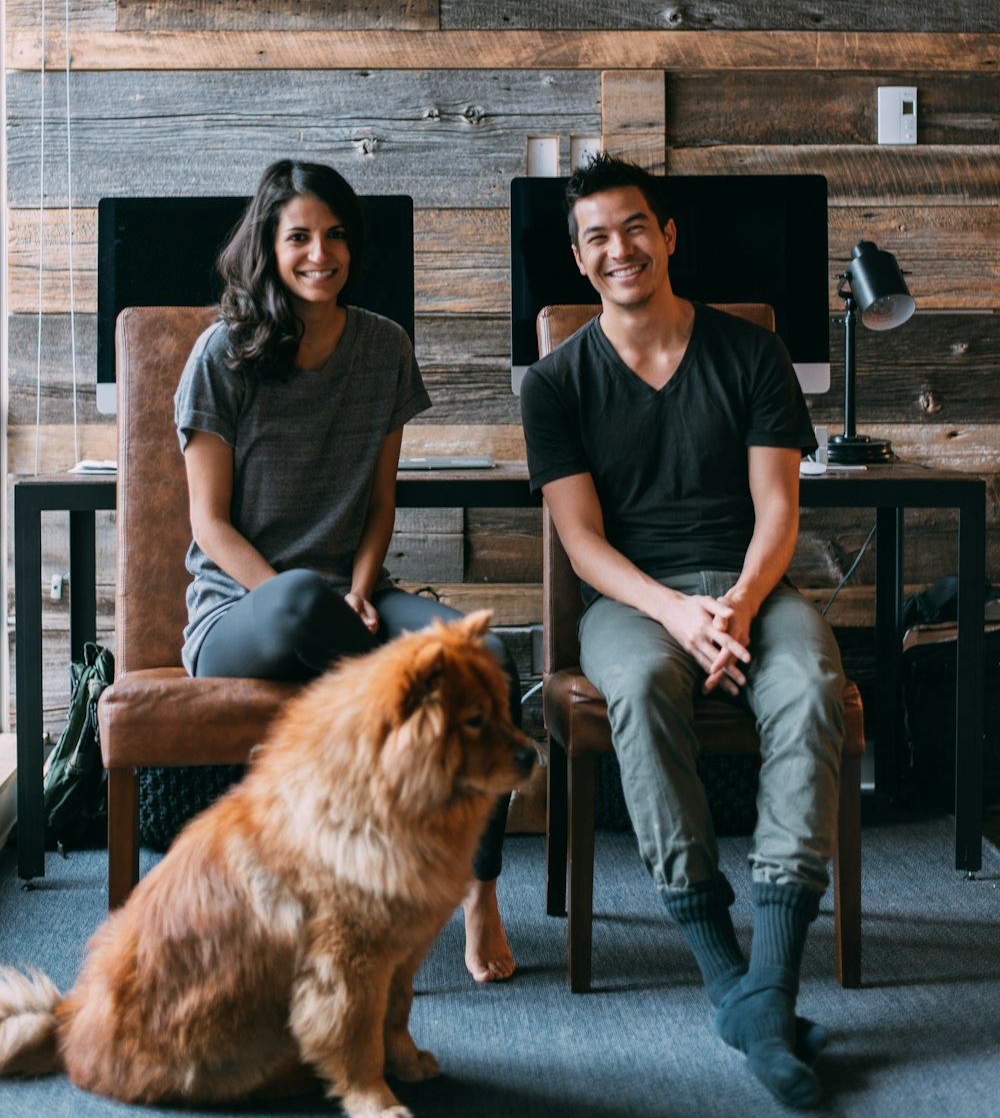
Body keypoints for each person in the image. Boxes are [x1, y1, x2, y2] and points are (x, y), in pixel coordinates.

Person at [519, 154, 845, 1108]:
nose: (618, 249)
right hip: (631, 603)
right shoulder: (554, 383)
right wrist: (674, 612)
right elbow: (581, 544)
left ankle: (768, 994)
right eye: (596, 238)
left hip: (750, 587)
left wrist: (737, 605)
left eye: (634, 228)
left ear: (667, 236)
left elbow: (777, 511)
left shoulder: (750, 353)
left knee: (814, 688)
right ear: (581, 262)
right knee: (645, 686)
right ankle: (722, 977)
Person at [174, 158, 520, 983]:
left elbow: (379, 502)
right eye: (299, 237)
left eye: (334, 237)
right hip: (242, 613)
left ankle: (477, 889)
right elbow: (209, 524)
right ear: (269, 246)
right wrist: (318, 598)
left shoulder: (383, 347)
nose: (319, 254)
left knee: (485, 666)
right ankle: (393, 704)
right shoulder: (219, 354)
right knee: (299, 602)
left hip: (350, 603)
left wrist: (364, 587)